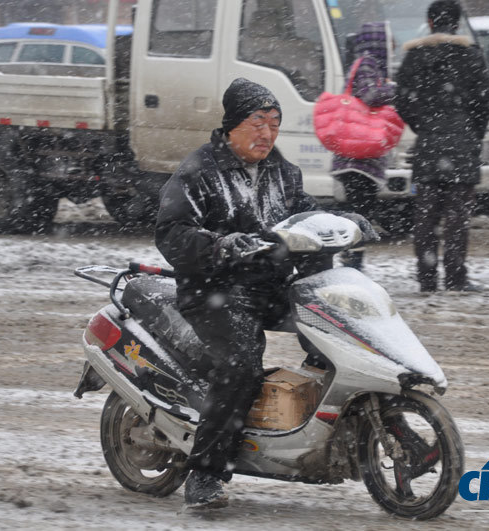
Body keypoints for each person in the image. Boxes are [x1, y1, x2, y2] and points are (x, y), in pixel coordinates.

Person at [155, 78, 376, 509]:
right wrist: (219, 244)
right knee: (241, 364)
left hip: (270, 287)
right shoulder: (200, 172)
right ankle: (205, 472)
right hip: (214, 291)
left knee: (338, 335)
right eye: (258, 122)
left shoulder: (281, 170)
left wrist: (344, 220)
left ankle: (314, 425)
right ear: (232, 125)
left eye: (274, 124)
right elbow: (170, 233)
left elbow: (302, 217)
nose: (267, 134)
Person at [394, 0, 489, 292]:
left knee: (425, 215)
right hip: (462, 144)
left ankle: (426, 278)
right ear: (458, 24)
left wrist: (423, 126)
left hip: (428, 144)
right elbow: (483, 102)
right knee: (456, 217)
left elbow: (402, 101)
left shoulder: (414, 57)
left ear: (430, 21)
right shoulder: (471, 56)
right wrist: (471, 132)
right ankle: (455, 277)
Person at [331, 21, 396, 270]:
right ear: (377, 42)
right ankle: (352, 264)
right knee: (359, 212)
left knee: (359, 210)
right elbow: (370, 95)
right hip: (357, 159)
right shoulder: (368, 64)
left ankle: (353, 261)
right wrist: (395, 90)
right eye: (388, 41)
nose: (392, 46)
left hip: (358, 157)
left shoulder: (368, 65)